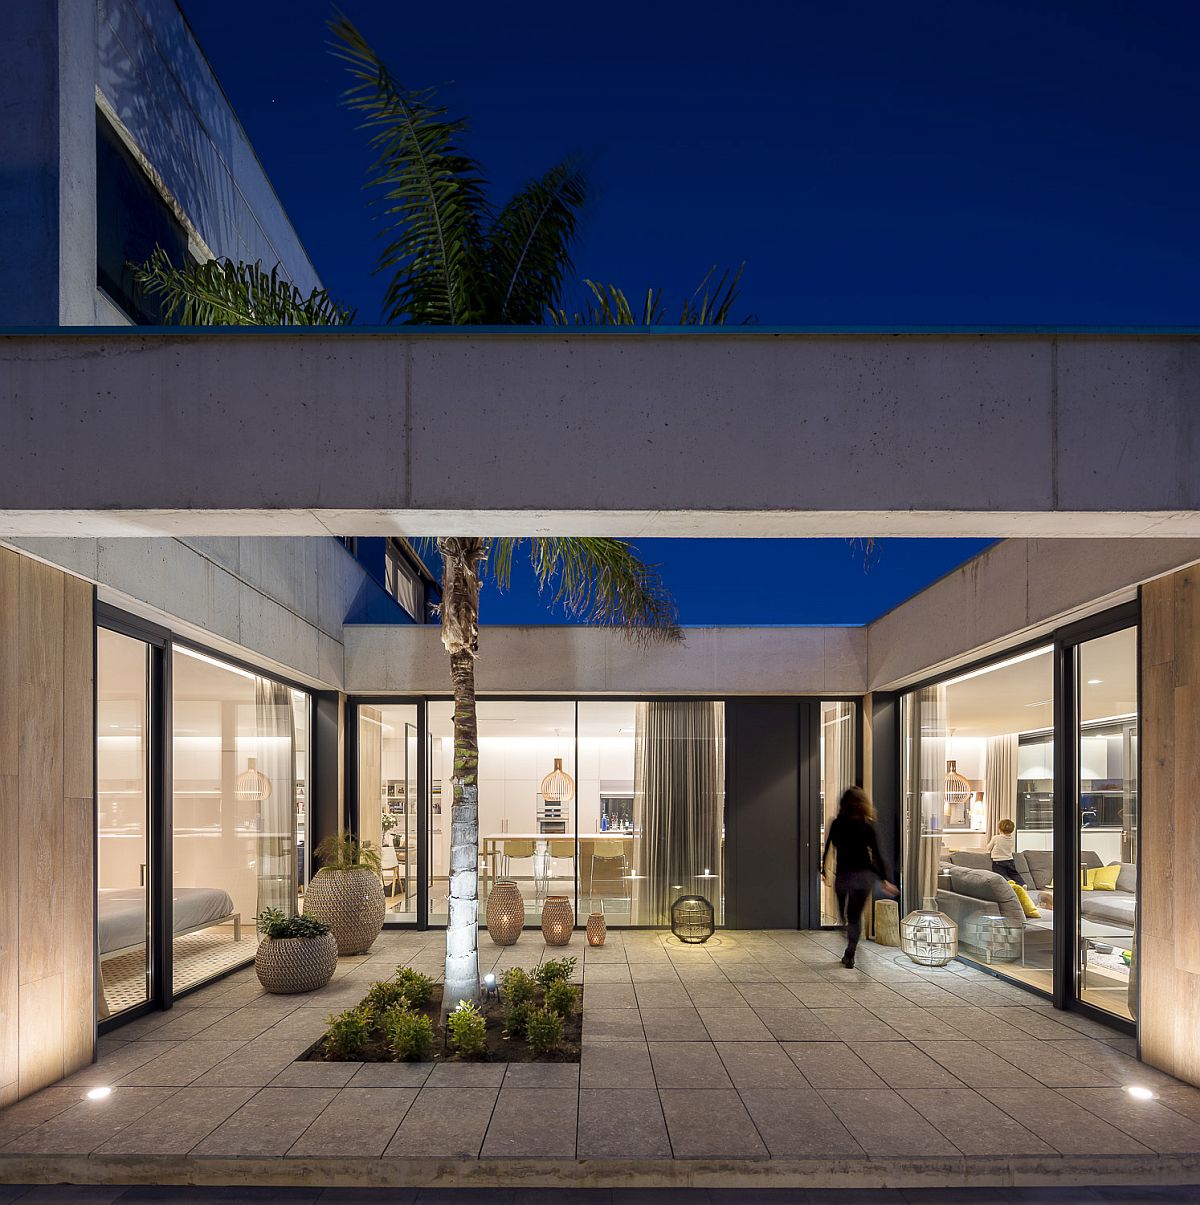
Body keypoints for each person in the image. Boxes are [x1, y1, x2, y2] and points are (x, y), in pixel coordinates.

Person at [821, 786, 898, 968]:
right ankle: (850, 952)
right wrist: (885, 879)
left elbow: (828, 848)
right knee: (855, 916)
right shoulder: (868, 824)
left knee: (845, 914)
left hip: (844, 876)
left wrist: (824, 869)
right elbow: (878, 854)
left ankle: (848, 934)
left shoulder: (837, 823)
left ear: (843, 804)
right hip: (864, 877)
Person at [987, 818, 1025, 885]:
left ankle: (1006, 887)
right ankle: (1022, 884)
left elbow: (989, 848)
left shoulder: (996, 838)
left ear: (1000, 829)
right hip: (1010, 860)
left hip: (998, 861)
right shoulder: (1012, 839)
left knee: (1000, 877)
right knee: (1014, 874)